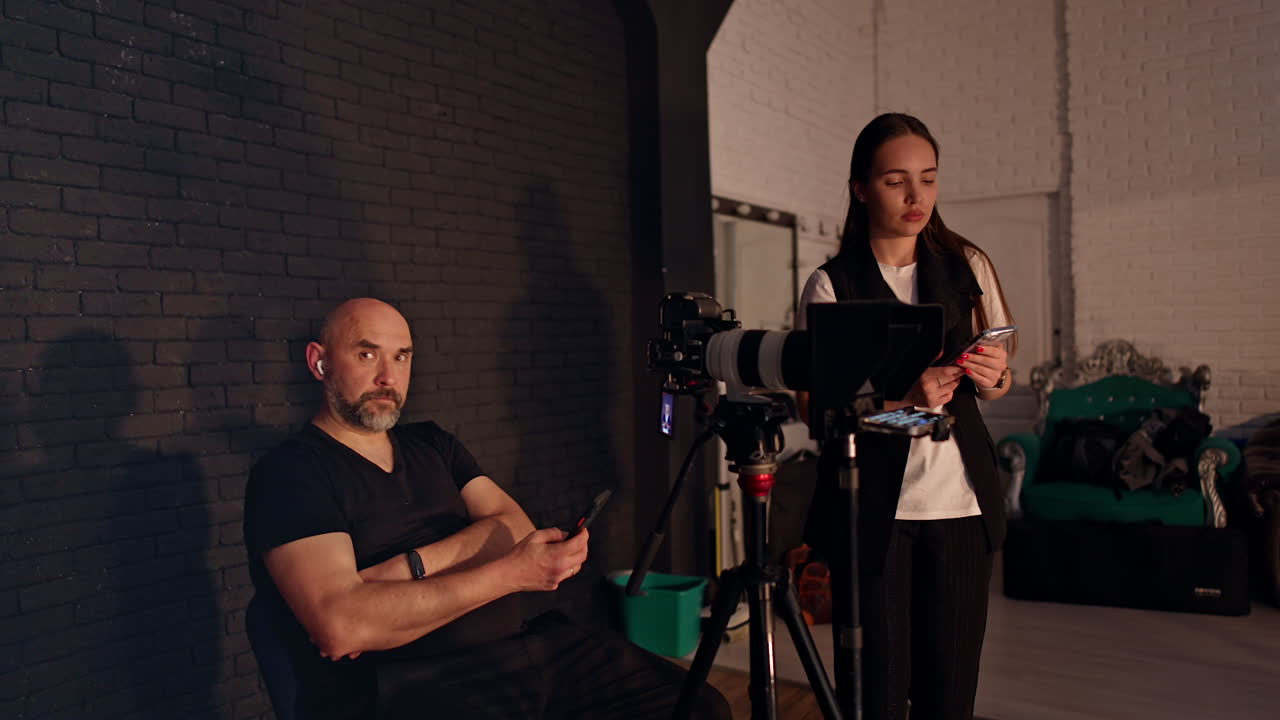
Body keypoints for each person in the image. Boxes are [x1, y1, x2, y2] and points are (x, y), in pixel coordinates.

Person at [244, 298, 730, 720]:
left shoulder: (432, 444)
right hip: (413, 683)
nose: (388, 377)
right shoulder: (291, 473)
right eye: (366, 353)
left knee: (697, 707)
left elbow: (515, 529)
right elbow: (342, 626)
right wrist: (508, 573)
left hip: (525, 650)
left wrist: (407, 569)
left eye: (402, 356)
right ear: (319, 362)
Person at [796, 113, 1016, 720]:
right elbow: (819, 412)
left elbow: (1000, 385)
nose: (917, 196)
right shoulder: (832, 284)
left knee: (951, 697)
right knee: (876, 695)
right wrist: (905, 404)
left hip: (964, 510)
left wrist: (992, 371)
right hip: (873, 515)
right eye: (897, 181)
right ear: (862, 188)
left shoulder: (968, 264)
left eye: (929, 178)